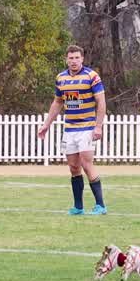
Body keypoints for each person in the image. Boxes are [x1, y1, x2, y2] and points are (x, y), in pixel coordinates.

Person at [37, 45, 108, 216]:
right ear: (66, 60)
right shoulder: (61, 78)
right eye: (71, 58)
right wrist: (46, 124)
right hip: (69, 129)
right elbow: (58, 102)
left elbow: (101, 102)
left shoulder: (92, 76)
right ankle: (78, 207)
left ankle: (100, 205)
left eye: (77, 58)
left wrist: (98, 126)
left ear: (82, 59)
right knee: (73, 167)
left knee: (86, 164)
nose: (74, 61)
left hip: (87, 127)